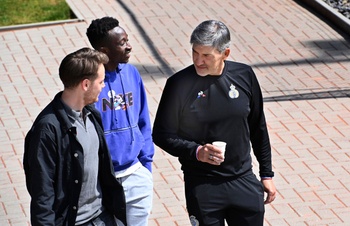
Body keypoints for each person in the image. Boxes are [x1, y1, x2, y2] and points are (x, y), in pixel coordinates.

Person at [152, 20, 277, 226]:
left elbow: (258, 128)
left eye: (206, 55)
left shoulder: (244, 75)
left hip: (243, 179)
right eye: (195, 53)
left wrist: (266, 173)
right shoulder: (178, 84)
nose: (198, 61)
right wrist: (197, 151)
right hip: (203, 185)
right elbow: (162, 134)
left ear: (225, 54)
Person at [23, 47, 127, 226]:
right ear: (85, 84)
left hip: (103, 218)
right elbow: (43, 194)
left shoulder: (92, 115)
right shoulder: (47, 130)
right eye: (101, 81)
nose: (104, 86)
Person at [86, 17, 154, 226]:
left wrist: (146, 165)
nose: (129, 46)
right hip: (103, 180)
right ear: (104, 51)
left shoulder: (132, 73)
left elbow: (143, 119)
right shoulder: (91, 82)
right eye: (122, 43)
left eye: (127, 40)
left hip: (136, 173)